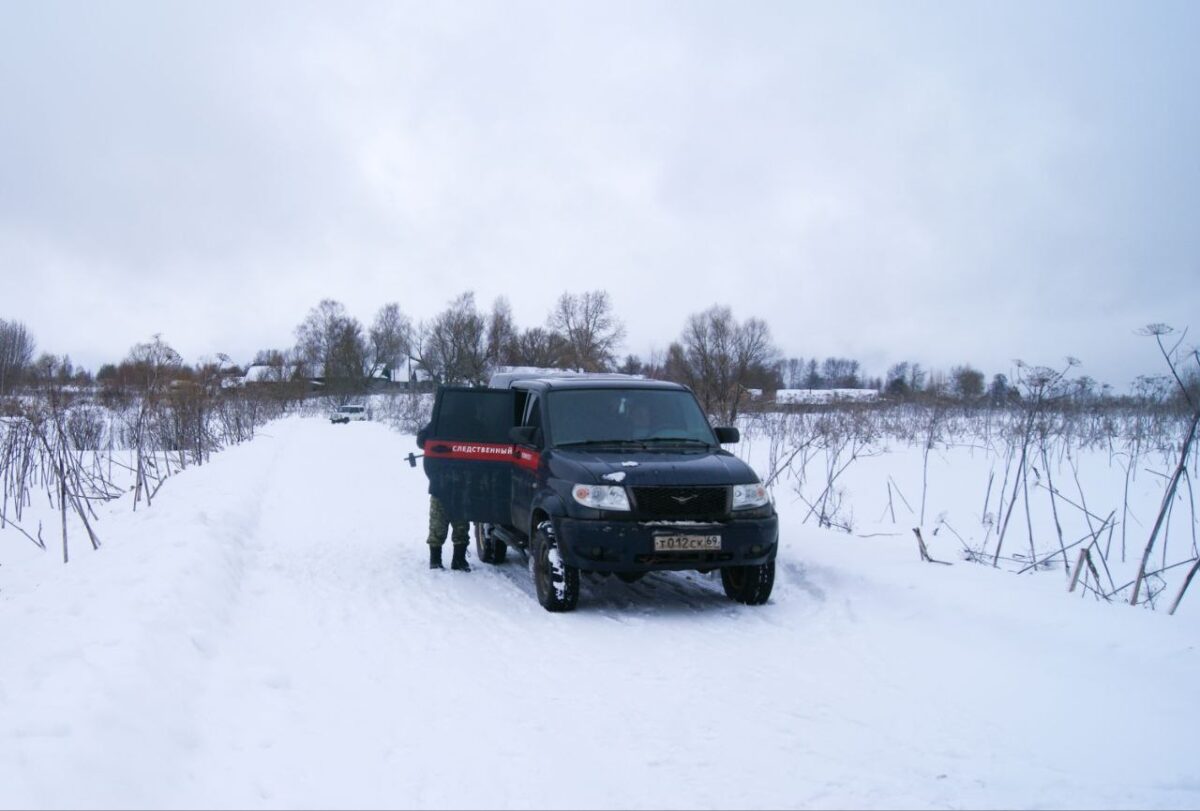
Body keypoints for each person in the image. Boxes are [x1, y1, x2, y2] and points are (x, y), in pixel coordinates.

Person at [416, 422, 471, 571]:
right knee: (437, 524)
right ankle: (435, 560)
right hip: (440, 483)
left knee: (461, 525)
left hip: (462, 484)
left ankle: (459, 560)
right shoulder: (438, 424)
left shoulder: (472, 425)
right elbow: (421, 440)